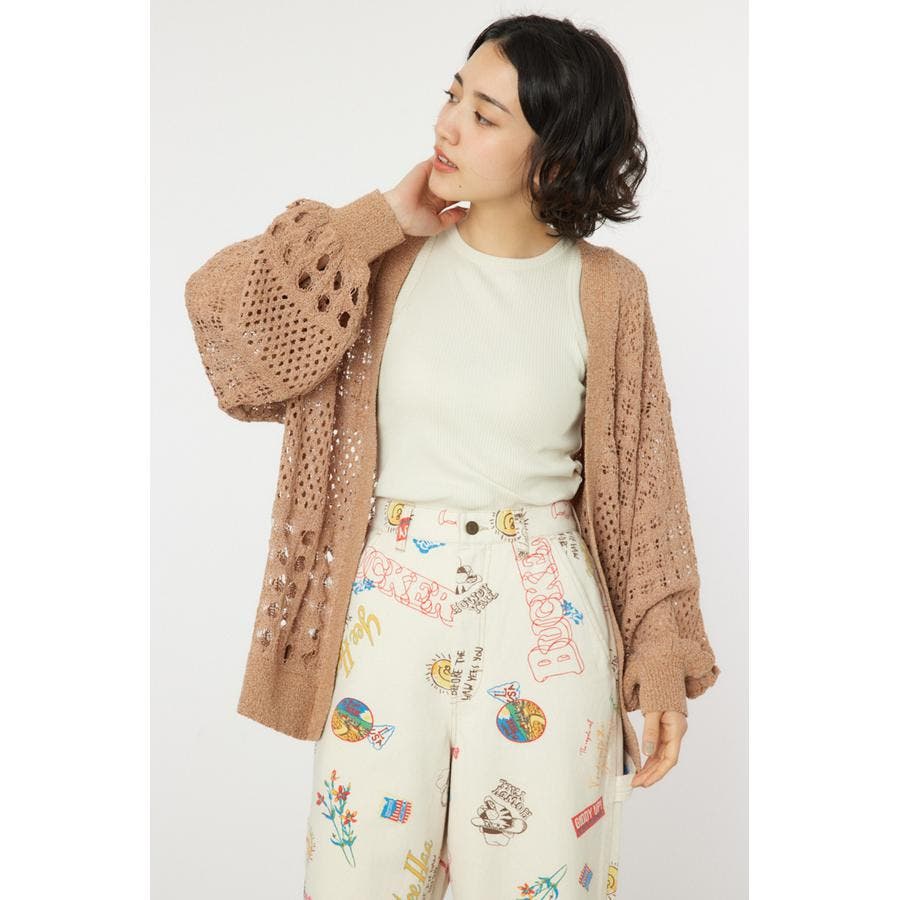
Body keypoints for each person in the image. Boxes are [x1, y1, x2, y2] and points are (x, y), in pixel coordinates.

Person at [185, 14, 721, 899]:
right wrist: (372, 223)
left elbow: (646, 488)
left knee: (536, 880)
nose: (448, 125)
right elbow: (225, 328)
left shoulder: (608, 291)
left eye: (485, 114)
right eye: (453, 96)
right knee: (359, 878)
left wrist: (660, 658)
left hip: (544, 620)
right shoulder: (386, 264)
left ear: (554, 159)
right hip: (390, 610)